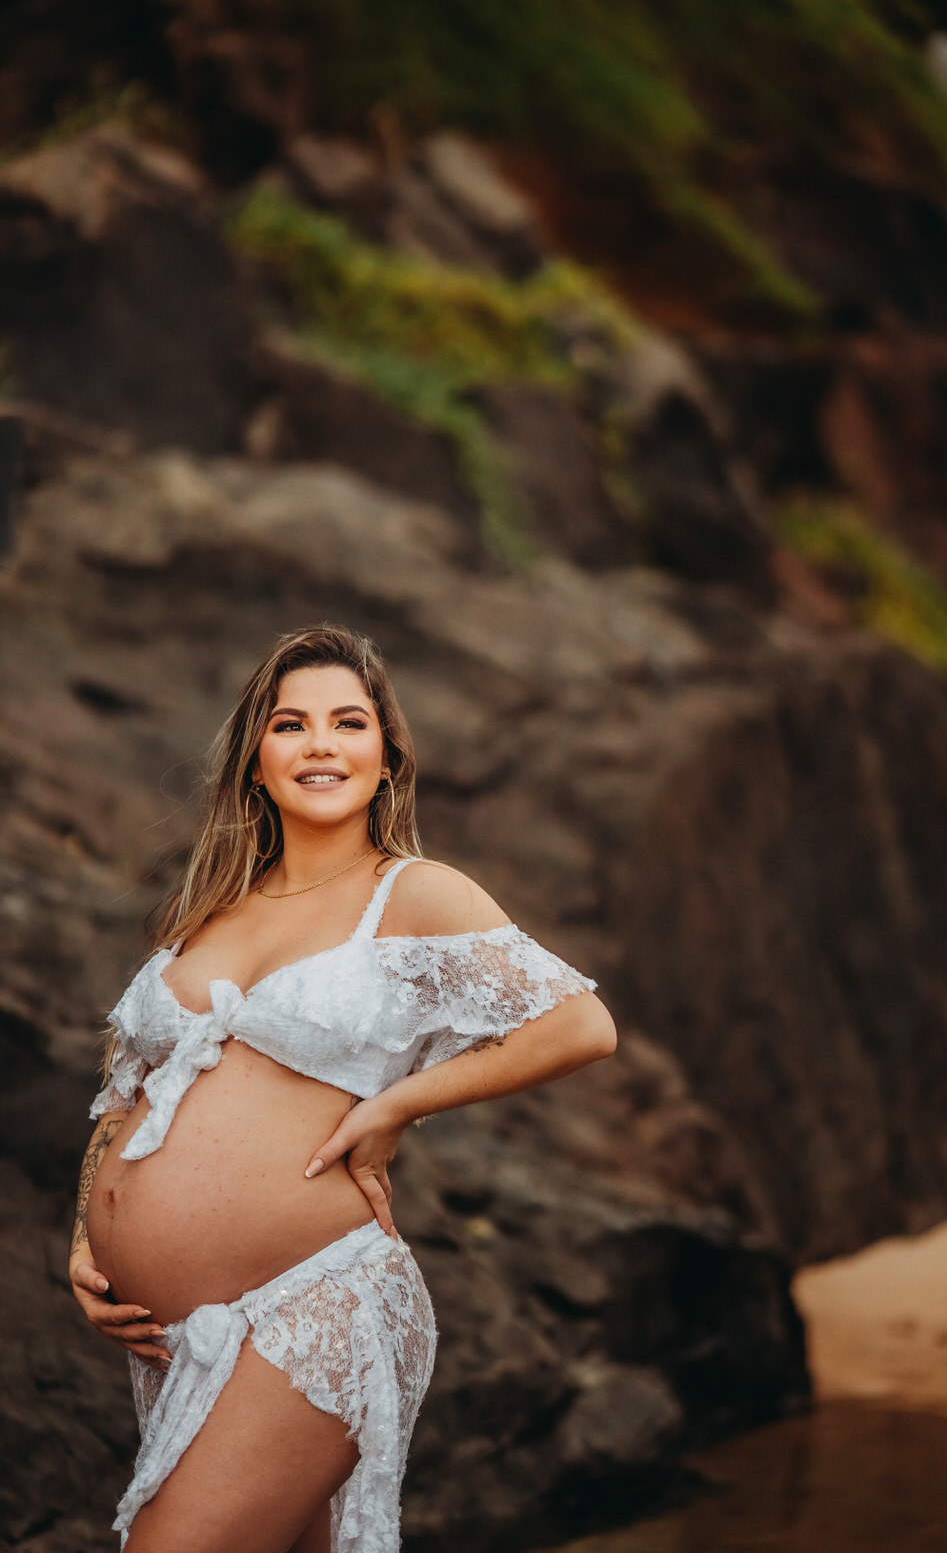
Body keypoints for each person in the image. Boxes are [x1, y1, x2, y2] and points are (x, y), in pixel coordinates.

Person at [68, 624, 616, 1553]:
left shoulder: (413, 894)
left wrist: (397, 1103)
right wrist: (87, 1229)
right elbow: (128, 1089)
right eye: (291, 725)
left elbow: (577, 1026)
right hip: (185, 1324)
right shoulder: (208, 913)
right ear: (255, 761)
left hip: (314, 1302)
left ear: (387, 758)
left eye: (347, 722)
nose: (320, 744)